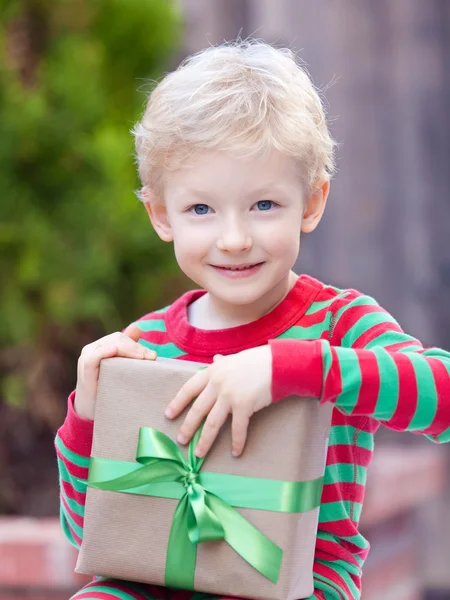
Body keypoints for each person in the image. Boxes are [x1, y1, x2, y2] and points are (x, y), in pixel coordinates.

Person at [55, 39, 450, 600]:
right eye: (201, 209)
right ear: (161, 214)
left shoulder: (337, 324)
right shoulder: (146, 344)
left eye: (264, 205)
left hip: (298, 584)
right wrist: (89, 417)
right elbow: (87, 533)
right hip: (154, 583)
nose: (235, 238)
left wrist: (293, 367)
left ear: (311, 203)